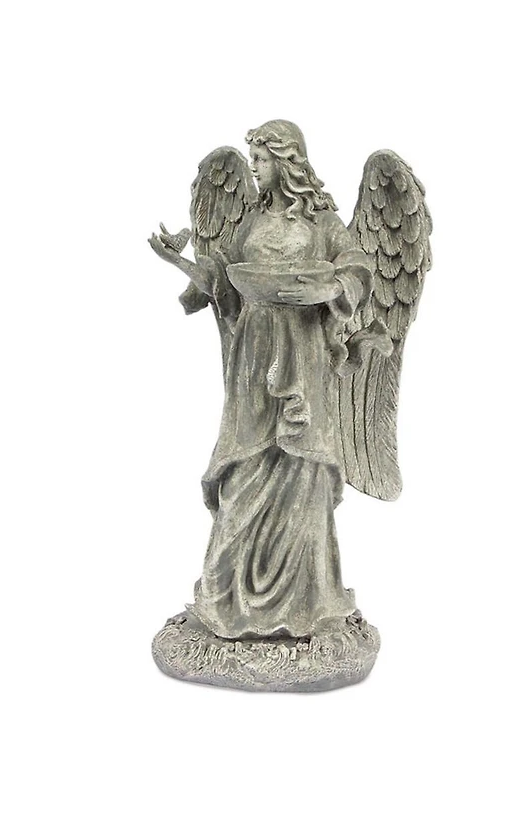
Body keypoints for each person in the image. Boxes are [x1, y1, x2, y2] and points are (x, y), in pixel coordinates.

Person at [156, 121, 375, 639]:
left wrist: (328, 290)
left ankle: (308, 604)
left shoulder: (323, 223)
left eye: (261, 159)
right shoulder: (251, 222)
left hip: (305, 355)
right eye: (251, 159)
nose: (253, 168)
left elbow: (357, 269)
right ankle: (226, 600)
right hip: (253, 357)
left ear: (286, 160)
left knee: (302, 468)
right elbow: (223, 282)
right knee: (243, 471)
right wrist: (180, 261)